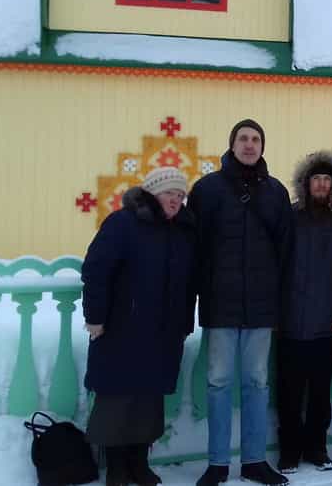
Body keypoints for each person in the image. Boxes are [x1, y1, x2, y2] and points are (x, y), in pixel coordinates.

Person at [189, 119, 294, 486]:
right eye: (243, 139)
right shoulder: (207, 190)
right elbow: (195, 249)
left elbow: (286, 252)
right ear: (231, 144)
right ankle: (217, 463)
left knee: (257, 383)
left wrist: (280, 304)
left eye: (256, 139)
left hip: (262, 307)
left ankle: (254, 460)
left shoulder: (276, 192)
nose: (250, 145)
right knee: (218, 382)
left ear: (263, 147)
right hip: (220, 304)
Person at [81, 166, 196, 486]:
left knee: (149, 400)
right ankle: (116, 467)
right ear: (152, 193)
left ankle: (139, 462)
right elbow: (96, 271)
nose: (175, 200)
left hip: (164, 331)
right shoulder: (123, 223)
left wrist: (185, 321)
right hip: (122, 328)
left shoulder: (183, 230)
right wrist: (95, 317)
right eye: (169, 193)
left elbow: (188, 283)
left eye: (180, 195)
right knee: (117, 398)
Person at [276, 150, 332, 474]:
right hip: (290, 322)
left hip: (326, 323)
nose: (321, 184)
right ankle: (289, 451)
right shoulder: (289, 217)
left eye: (326, 179)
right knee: (289, 394)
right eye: (316, 179)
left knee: (321, 394)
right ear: (305, 183)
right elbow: (276, 265)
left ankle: (317, 448)